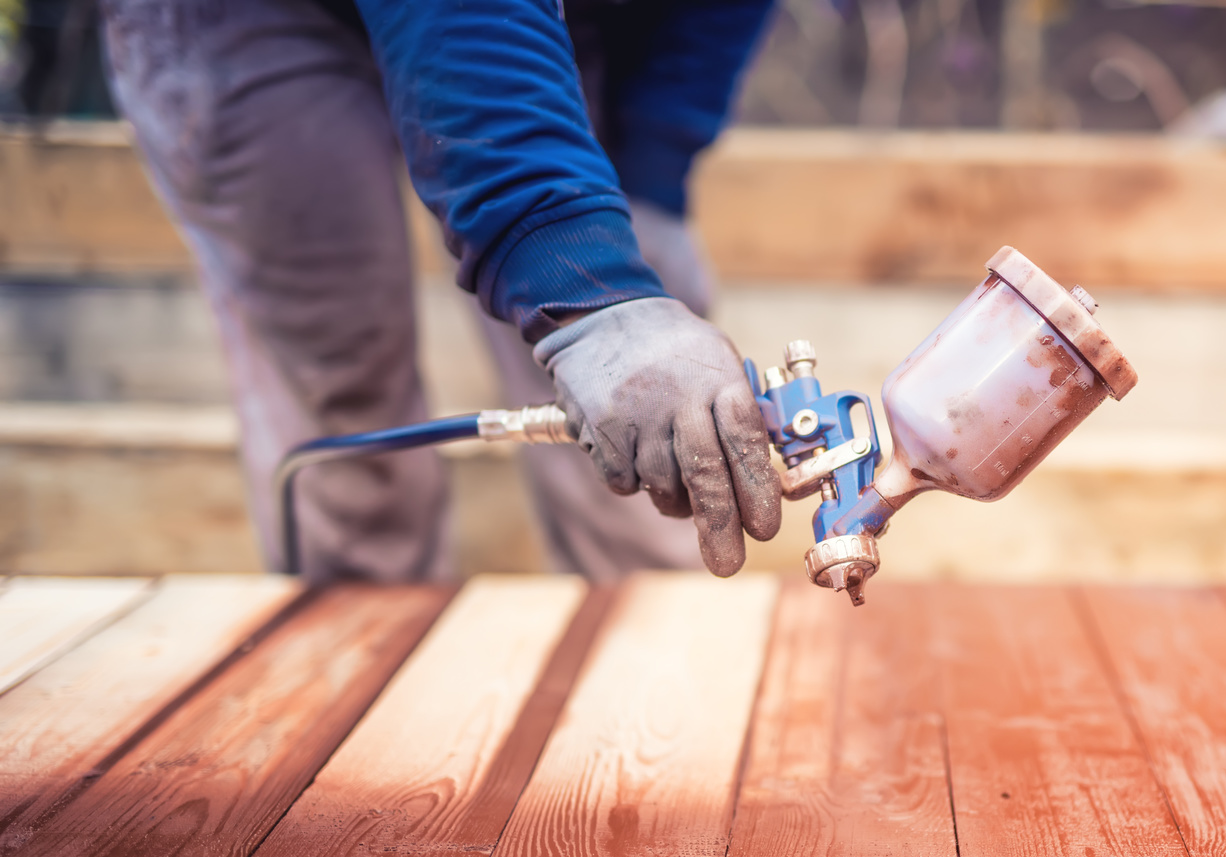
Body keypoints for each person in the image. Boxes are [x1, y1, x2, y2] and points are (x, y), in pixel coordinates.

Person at [99, 0, 782, 581]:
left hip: (547, 19)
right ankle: (356, 677)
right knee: (346, 401)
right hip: (248, 19)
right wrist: (580, 281)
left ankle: (663, 689)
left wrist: (650, 172)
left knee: (643, 430)